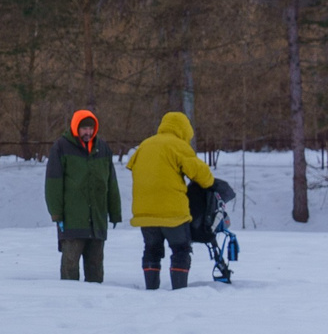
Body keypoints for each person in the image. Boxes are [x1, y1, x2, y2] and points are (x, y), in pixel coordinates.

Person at [127, 110, 216, 291]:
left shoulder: (145, 145)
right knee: (181, 249)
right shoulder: (177, 146)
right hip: (172, 212)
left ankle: (151, 288)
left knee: (151, 249)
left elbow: (132, 167)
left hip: (145, 213)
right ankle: (179, 291)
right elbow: (203, 176)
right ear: (184, 130)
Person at [44, 108, 121, 284]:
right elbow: (53, 183)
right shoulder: (61, 147)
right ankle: (69, 302)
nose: (88, 132)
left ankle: (94, 305)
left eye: (90, 129)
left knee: (96, 267)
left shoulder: (103, 148)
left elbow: (111, 183)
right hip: (72, 219)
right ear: (75, 127)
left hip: (97, 219)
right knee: (70, 266)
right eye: (84, 128)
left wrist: (115, 212)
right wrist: (56, 213)